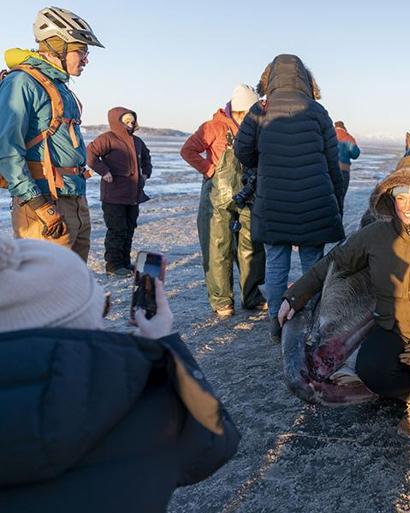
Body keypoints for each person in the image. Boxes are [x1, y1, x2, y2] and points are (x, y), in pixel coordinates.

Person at [0, 235, 240, 513]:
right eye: (102, 306)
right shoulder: (144, 403)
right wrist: (166, 343)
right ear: (83, 324)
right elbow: (216, 441)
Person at [279, 156, 410, 438]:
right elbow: (336, 261)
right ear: (392, 196)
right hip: (396, 328)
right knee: (372, 372)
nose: (409, 204)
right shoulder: (376, 234)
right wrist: (295, 295)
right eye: (402, 194)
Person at [234, 54, 344, 341]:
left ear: (269, 78)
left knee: (276, 263)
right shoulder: (318, 112)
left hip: (273, 200)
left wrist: (262, 160)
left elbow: (241, 152)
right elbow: (333, 162)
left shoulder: (260, 109)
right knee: (313, 264)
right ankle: (314, 320)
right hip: (314, 199)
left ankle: (275, 322)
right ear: (305, 79)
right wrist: (336, 199)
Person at [0, 7, 104, 262]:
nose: (86, 59)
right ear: (59, 46)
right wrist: (38, 204)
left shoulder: (60, 86)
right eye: (82, 51)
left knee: (74, 284)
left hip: (74, 199)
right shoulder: (22, 82)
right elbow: (7, 148)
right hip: (44, 203)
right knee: (44, 292)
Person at [181, 84, 266, 318]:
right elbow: (188, 150)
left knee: (252, 247)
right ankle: (221, 300)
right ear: (239, 111)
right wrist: (209, 170)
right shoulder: (214, 126)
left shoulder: (258, 128)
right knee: (218, 247)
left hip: (249, 195)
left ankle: (253, 296)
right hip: (217, 198)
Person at [86, 108, 152, 276]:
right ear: (117, 122)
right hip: (114, 194)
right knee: (117, 229)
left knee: (129, 228)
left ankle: (125, 263)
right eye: (126, 122)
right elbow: (90, 154)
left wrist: (145, 173)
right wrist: (104, 170)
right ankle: (113, 266)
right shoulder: (107, 138)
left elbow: (146, 157)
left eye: (132, 122)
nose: (130, 125)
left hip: (133, 194)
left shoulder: (137, 141)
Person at [334, 120, 361, 207]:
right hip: (343, 170)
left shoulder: (328, 135)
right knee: (340, 198)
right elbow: (355, 154)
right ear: (344, 128)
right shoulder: (348, 138)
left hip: (328, 170)